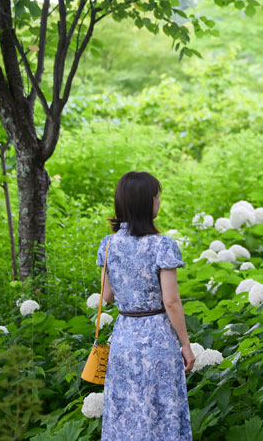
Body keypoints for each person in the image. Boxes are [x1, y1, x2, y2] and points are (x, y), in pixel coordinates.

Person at [96, 171, 194, 440]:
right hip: (157, 339)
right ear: (147, 203)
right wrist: (185, 344)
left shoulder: (108, 245)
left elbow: (107, 297)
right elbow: (171, 301)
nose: (158, 202)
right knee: (162, 411)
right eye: (157, 197)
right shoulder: (162, 245)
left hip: (124, 339)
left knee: (126, 413)